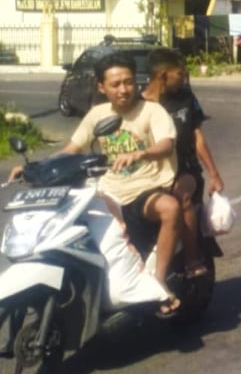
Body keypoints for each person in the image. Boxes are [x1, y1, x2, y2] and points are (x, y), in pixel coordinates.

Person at [7, 53, 186, 314]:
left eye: (128, 82)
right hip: (107, 191)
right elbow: (72, 149)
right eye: (115, 84)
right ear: (101, 87)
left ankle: (157, 283)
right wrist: (34, 167)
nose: (123, 89)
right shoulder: (98, 114)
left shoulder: (152, 111)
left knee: (170, 208)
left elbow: (166, 144)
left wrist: (141, 153)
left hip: (145, 188)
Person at [141, 48, 224, 277]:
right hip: (149, 174)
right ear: (163, 75)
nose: (184, 77)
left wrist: (214, 174)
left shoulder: (186, 99)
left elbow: (197, 137)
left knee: (181, 196)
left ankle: (192, 260)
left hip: (185, 170)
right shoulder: (139, 104)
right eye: (179, 73)